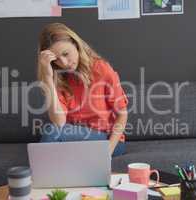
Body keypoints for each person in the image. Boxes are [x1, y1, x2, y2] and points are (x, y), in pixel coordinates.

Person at [37, 23, 128, 157]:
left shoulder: (101, 69)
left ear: (76, 44)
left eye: (66, 54)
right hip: (74, 140)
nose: (64, 63)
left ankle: (37, 176)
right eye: (56, 60)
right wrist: (48, 78)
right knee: (53, 132)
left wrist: (107, 151)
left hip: (108, 140)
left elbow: (122, 114)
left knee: (52, 133)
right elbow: (59, 122)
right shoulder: (59, 77)